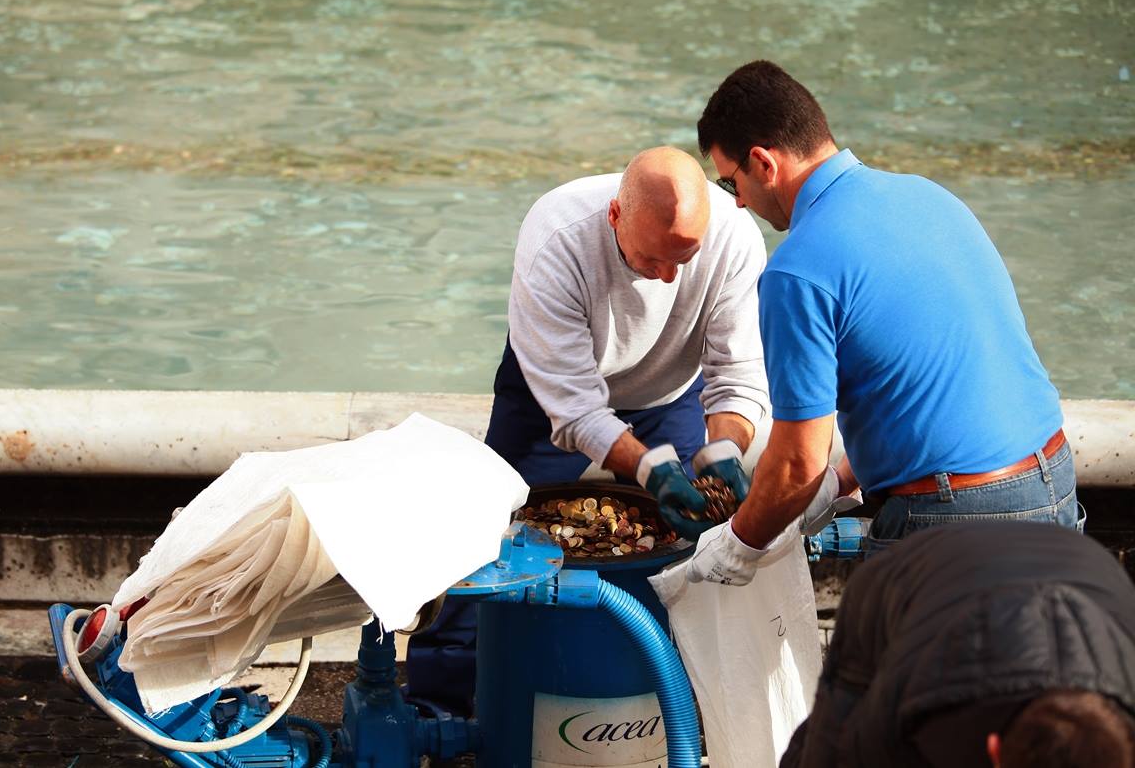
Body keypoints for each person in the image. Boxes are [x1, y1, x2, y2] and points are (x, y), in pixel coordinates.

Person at [405, 145, 771, 717]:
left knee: (687, 544)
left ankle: (663, 692)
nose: (668, 277)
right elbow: (575, 409)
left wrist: (726, 445)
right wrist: (649, 469)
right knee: (489, 534)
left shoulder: (735, 238)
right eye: (652, 259)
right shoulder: (556, 236)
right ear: (615, 216)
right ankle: (438, 701)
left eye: (684, 259)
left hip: (671, 387)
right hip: (551, 388)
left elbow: (737, 371)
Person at [687, 60, 1078, 587]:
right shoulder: (930, 196)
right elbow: (928, 381)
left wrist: (738, 546)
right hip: (1053, 481)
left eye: (730, 181)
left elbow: (798, 462)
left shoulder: (795, 271)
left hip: (952, 522)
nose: (736, 201)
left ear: (762, 162)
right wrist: (840, 480)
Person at [779, 522, 1135, 767]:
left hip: (1077, 560)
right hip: (910, 573)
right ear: (993, 750)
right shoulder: (927, 714)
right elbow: (841, 750)